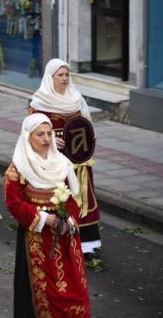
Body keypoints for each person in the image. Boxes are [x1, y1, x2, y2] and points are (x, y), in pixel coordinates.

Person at [4, 113, 90, 318]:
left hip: (64, 233)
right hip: (36, 235)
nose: (46, 139)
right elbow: (13, 203)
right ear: (28, 137)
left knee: (71, 285)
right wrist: (43, 218)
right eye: (40, 134)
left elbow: (73, 198)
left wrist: (69, 219)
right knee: (42, 287)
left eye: (49, 133)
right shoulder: (18, 168)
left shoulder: (62, 163)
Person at [29, 59, 102, 260]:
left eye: (67, 75)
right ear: (50, 77)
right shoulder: (39, 102)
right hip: (56, 158)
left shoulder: (76, 99)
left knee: (84, 197)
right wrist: (51, 139)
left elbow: (86, 123)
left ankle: (87, 244)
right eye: (60, 75)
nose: (64, 78)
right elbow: (32, 131)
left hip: (78, 157)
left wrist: (90, 136)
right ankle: (62, 240)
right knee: (63, 197)